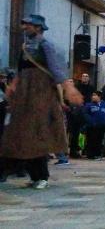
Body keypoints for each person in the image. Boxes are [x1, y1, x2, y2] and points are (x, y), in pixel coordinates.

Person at [0, 15, 82, 189]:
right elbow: (20, 69)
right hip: (24, 93)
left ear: (38, 27)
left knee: (36, 132)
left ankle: (42, 176)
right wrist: (13, 85)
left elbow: (55, 68)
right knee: (20, 132)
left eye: (28, 25)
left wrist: (69, 88)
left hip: (40, 92)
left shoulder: (46, 45)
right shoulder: (25, 46)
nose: (24, 27)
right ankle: (29, 173)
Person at [83, 91, 105, 160]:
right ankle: (90, 155)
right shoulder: (88, 105)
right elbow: (85, 114)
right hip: (91, 126)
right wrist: (91, 121)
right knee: (91, 140)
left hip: (102, 126)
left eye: (95, 95)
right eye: (92, 95)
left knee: (99, 140)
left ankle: (98, 154)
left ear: (99, 96)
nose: (93, 97)